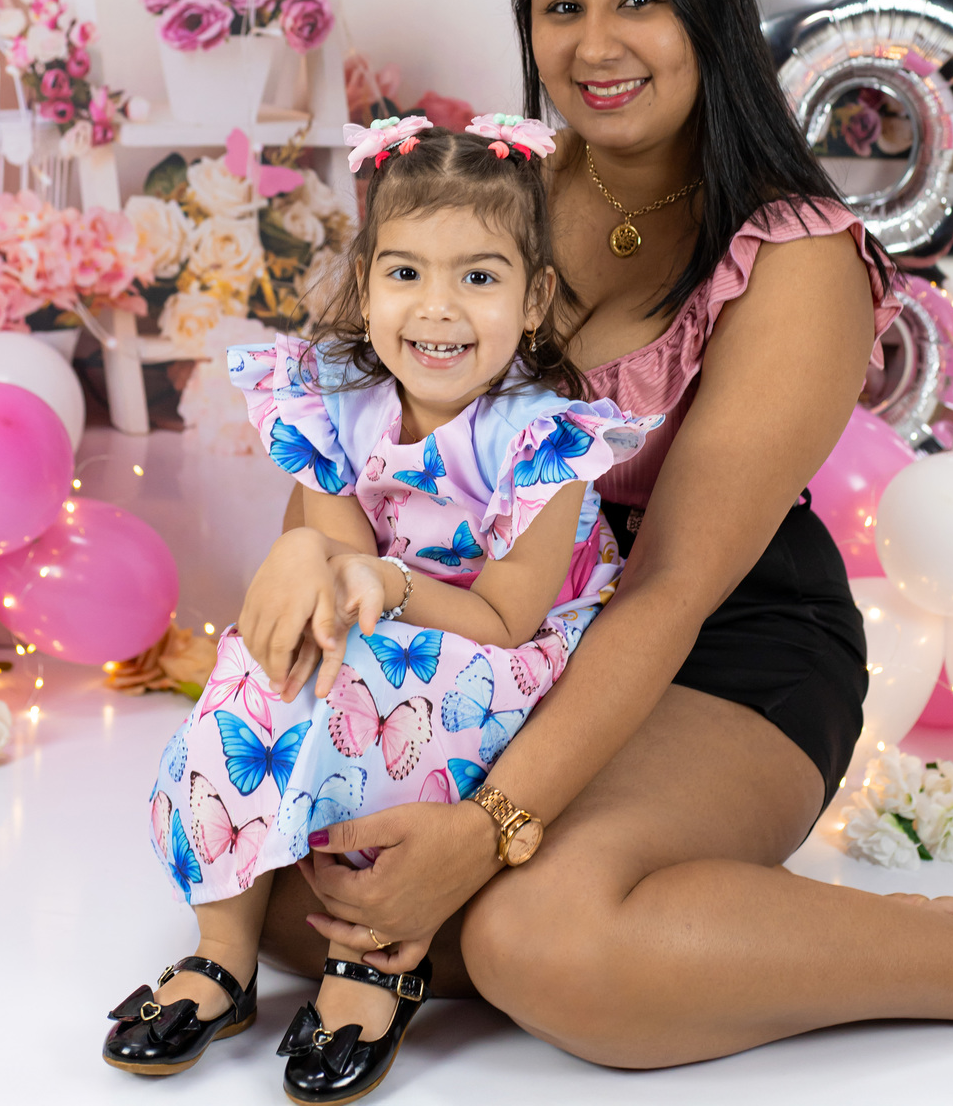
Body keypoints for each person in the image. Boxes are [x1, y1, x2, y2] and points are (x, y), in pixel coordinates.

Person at [254, 0, 953, 1069]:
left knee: (542, 939)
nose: (598, 43)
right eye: (563, 5)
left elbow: (670, 591)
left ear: (708, 12)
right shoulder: (486, 198)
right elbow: (352, 437)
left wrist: (488, 830)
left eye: (639, 0)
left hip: (721, 643)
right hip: (490, 628)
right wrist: (308, 576)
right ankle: (733, 932)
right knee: (278, 884)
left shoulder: (795, 253)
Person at [103, 114, 658, 1097]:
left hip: (499, 644)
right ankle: (224, 949)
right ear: (365, 287)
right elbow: (334, 559)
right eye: (406, 273)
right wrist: (308, 564)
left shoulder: (542, 441)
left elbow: (506, 619)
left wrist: (384, 588)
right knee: (263, 668)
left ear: (533, 299)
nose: (437, 309)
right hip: (384, 621)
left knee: (373, 695)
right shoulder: (337, 403)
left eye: (478, 277)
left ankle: (375, 956)